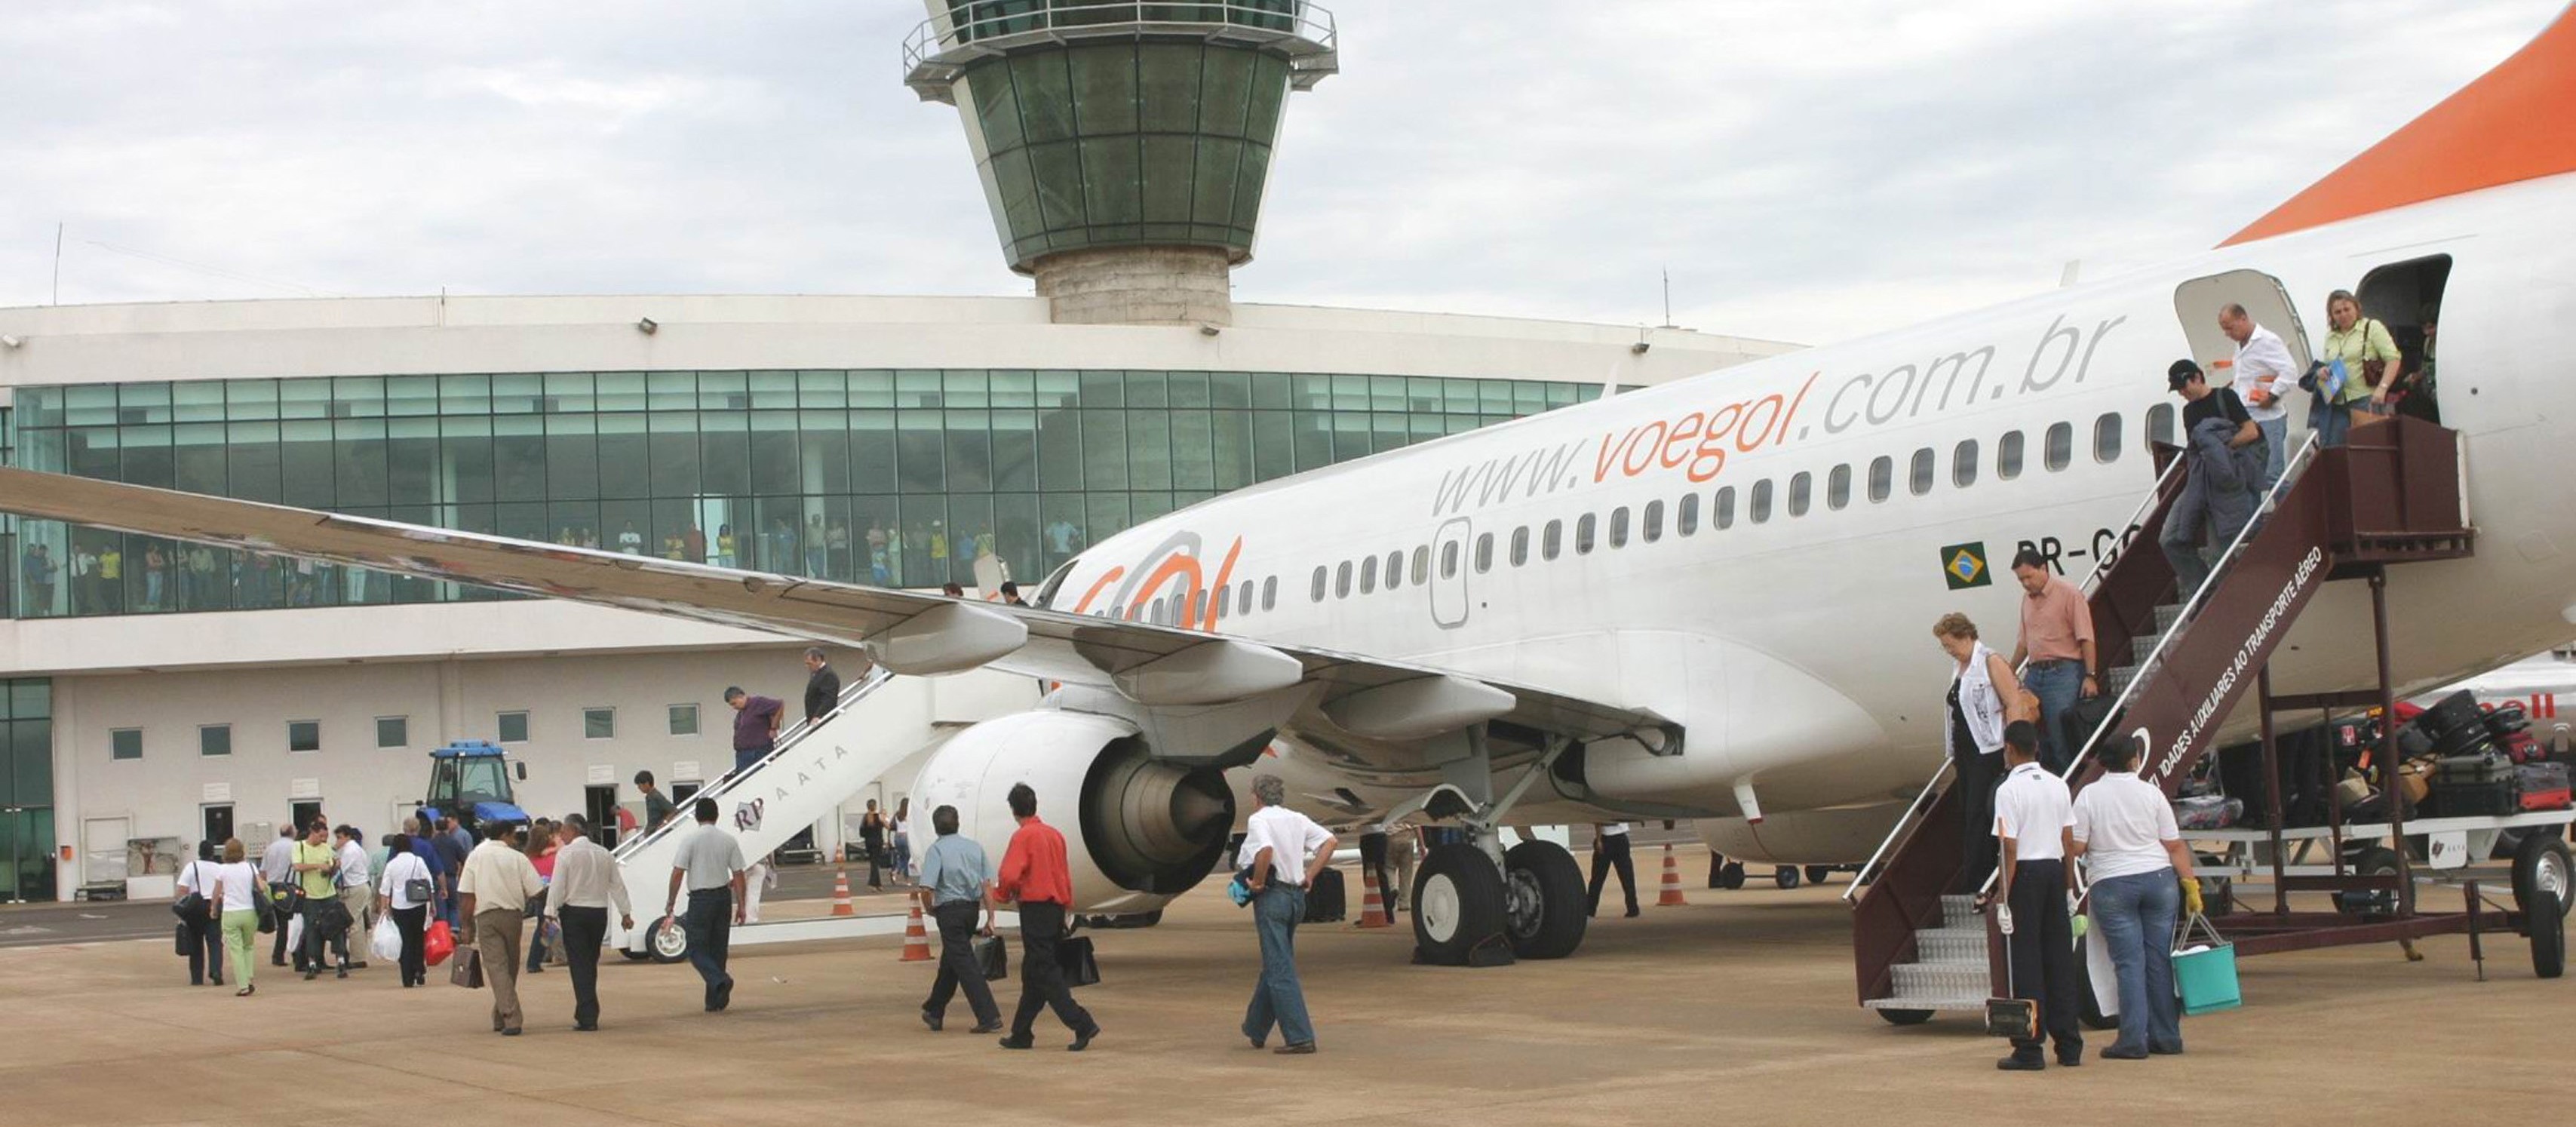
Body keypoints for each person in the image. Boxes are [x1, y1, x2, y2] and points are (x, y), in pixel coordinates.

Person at [2071, 735, 2200, 1060]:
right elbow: (2174, 845)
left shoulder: (2088, 796)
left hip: (2112, 883)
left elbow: (2078, 846)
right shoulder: (2151, 793)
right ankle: (2167, 1037)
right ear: (2134, 761)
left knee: (2129, 963)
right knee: (2158, 959)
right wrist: (2191, 885)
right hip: (2159, 881)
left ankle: (2132, 1040)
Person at [1991, 720, 2081, 1071]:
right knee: (2059, 960)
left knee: (2026, 963)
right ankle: (2069, 1045)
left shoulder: (2008, 790)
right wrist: (2070, 887)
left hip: (2025, 874)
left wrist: (2003, 897)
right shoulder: (2059, 785)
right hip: (2054, 870)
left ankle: (2029, 1048)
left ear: (2010, 750)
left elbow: (2008, 849)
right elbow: (2068, 841)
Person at [993, 782, 1099, 1051]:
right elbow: (1063, 874)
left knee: (1045, 971)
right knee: (1034, 974)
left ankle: (1081, 1022)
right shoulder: (1055, 835)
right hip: (1055, 909)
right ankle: (1021, 1032)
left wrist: (1002, 894)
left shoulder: (1024, 837)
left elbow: (1009, 875)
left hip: (1035, 909)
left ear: (1014, 810)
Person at [1239, 773, 1337, 1054]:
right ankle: (1255, 1027)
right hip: (1296, 897)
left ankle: (1299, 1036)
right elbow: (1330, 842)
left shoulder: (1259, 820)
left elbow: (1265, 851)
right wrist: (1310, 874)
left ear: (1256, 796)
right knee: (1277, 959)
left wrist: (1257, 883)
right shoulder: (1297, 818)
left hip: (1273, 896)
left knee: (1280, 967)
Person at [1935, 613, 2026, 895]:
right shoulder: (1959, 667)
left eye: (1950, 644)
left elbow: (2014, 703)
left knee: (1980, 813)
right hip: (1965, 748)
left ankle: (1979, 881)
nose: (1948, 651)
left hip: (1988, 748)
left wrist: (2013, 748)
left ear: (1966, 636)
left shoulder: (1990, 661)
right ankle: (1977, 877)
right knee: (1969, 812)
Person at [2160, 361, 2264, 600]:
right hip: (2201, 478)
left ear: (2197, 378)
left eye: (2183, 386)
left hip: (2228, 481)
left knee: (2219, 550)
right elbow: (2196, 448)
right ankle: (2203, 591)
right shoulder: (2189, 412)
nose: (2182, 393)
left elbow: (2251, 431)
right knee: (2169, 539)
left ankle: (2232, 598)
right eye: (2178, 390)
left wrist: (2222, 448)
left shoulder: (2224, 397)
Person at [2006, 549, 2098, 775]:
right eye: (2021, 580)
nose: (2025, 584)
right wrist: (2009, 670)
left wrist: (2090, 675)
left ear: (2044, 569)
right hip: (2035, 673)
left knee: (2059, 736)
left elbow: (2086, 637)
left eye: (2029, 577)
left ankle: (2069, 783)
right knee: (2028, 732)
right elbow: (2024, 643)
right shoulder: (2026, 601)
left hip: (2063, 671)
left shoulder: (2068, 594)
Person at [915, 803, 1004, 1033]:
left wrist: (930, 909)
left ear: (936, 828)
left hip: (949, 911)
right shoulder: (975, 848)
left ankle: (989, 1015)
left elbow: (926, 888)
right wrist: (991, 918)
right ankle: (934, 1009)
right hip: (970, 911)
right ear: (958, 824)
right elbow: (987, 885)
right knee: (952, 961)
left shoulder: (937, 851)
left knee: (965, 963)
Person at [544, 813, 633, 1031]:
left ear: (574, 830)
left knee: (579, 964)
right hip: (598, 913)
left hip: (574, 913)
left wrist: (550, 911)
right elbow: (617, 885)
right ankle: (586, 1009)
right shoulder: (604, 853)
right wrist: (625, 913)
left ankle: (588, 1015)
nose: (561, 835)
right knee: (590, 961)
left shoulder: (566, 854)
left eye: (564, 831)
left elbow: (557, 885)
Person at [459, 820, 545, 1035]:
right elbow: (536, 890)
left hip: (486, 916)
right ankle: (512, 1017)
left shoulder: (476, 856)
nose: (515, 839)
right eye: (514, 835)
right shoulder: (517, 858)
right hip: (513, 916)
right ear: (506, 834)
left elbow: (467, 895)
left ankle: (502, 1014)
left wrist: (466, 925)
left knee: (497, 967)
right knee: (510, 967)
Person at [664, 797, 747, 1012]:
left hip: (701, 899)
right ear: (717, 815)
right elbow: (738, 874)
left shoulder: (690, 840)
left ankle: (720, 980)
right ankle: (715, 1001)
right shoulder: (728, 840)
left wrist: (671, 901)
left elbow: (678, 873)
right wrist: (742, 905)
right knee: (718, 949)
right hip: (723, 899)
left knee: (696, 947)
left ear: (697, 817)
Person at [2216, 303, 2296, 491]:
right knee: (2251, 475)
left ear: (2243, 319)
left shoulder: (2267, 341)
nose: (2227, 333)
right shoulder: (2240, 344)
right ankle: (2257, 520)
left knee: (2273, 474)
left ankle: (2286, 515)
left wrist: (2272, 396)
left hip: (2268, 417)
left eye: (2230, 328)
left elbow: (2290, 372)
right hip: (2246, 417)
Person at [2317, 289, 2403, 448]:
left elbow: (2393, 359)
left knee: (2367, 448)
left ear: (2356, 308)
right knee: (2335, 448)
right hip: (2337, 401)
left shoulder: (2372, 327)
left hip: (2364, 398)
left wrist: (2383, 388)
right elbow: (2328, 363)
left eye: (2347, 309)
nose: (2343, 315)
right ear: (2332, 316)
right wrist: (2322, 372)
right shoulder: (2331, 336)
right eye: (2337, 312)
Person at [292, 821, 351, 979]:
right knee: (311, 929)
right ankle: (312, 962)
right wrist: (318, 866)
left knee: (337, 927)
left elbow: (334, 862)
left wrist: (335, 866)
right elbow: (297, 866)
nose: (323, 840)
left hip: (328, 894)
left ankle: (340, 959)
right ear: (312, 832)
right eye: (321, 836)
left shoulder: (326, 848)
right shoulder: (300, 847)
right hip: (310, 895)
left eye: (325, 837)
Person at [207, 839, 267, 996]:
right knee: (248, 946)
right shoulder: (250, 866)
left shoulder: (222, 869)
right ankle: (249, 977)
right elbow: (261, 886)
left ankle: (243, 985)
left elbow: (216, 892)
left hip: (231, 911)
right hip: (249, 911)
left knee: (236, 949)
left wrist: (213, 908)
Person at [376, 831, 434, 987]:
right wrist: (432, 905)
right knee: (418, 938)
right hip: (418, 904)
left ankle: (407, 977)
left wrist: (384, 909)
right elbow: (429, 884)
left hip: (399, 907)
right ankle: (419, 970)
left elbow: (385, 889)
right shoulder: (418, 861)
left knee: (405, 941)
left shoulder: (392, 865)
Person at [175, 850, 225, 987]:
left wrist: (182, 907)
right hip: (213, 906)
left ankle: (197, 977)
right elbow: (223, 889)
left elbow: (182, 889)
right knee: (215, 941)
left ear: (199, 853)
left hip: (195, 908)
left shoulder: (191, 867)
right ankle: (216, 971)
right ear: (212, 854)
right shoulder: (218, 868)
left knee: (196, 943)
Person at [523, 819, 560, 975]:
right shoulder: (554, 855)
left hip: (539, 893)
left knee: (543, 926)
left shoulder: (529, 857)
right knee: (548, 927)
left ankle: (539, 958)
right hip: (553, 892)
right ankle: (536, 959)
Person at [333, 825, 373, 964]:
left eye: (340, 838)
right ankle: (359, 956)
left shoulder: (350, 851)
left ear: (348, 837)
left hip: (355, 888)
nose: (337, 841)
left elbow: (340, 871)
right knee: (359, 922)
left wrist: (330, 884)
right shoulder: (357, 849)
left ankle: (357, 959)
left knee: (352, 922)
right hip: (361, 886)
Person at [260, 823, 299, 968]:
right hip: (289, 887)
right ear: (292, 832)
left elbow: (263, 872)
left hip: (272, 887)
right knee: (292, 922)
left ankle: (278, 954)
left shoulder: (270, 848)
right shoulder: (294, 847)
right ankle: (295, 954)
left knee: (281, 923)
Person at [723, 686, 784, 777]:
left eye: (734, 703)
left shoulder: (757, 703)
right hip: (743, 754)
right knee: (744, 780)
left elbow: (779, 705)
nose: (734, 707)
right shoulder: (741, 713)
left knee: (759, 778)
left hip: (758, 751)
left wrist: (773, 728)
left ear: (740, 697)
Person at [1585, 822, 1639, 918]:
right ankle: (1633, 908)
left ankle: (1590, 909)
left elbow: (1598, 821)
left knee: (1597, 878)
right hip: (1621, 838)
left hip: (1606, 838)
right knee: (1627, 877)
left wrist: (1598, 840)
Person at [434, 815, 472, 926]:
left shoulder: (431, 843)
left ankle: (443, 931)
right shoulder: (453, 842)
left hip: (436, 879)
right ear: (447, 828)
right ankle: (455, 930)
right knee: (454, 906)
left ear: (435, 829)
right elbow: (465, 859)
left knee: (440, 905)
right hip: (451, 878)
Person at [803, 647, 840, 724]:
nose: (807, 666)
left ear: (818, 660)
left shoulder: (828, 675)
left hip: (822, 720)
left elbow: (829, 698)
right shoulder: (817, 674)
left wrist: (818, 716)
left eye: (810, 663)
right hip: (813, 718)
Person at [860, 799, 889, 889]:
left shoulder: (865, 817)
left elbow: (862, 833)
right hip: (878, 842)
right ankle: (873, 884)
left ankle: (877, 884)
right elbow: (888, 826)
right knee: (875, 864)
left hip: (869, 843)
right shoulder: (879, 817)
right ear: (875, 806)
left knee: (873, 863)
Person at [637, 770, 677, 834]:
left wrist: (664, 823)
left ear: (646, 784)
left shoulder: (656, 796)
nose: (639, 788)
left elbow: (673, 810)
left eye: (640, 786)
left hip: (658, 832)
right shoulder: (649, 796)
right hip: (651, 831)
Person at [20, 544, 54, 615]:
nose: (32, 551)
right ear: (28, 550)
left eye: (33, 550)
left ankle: (40, 614)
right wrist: (31, 579)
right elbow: (26, 570)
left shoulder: (39, 558)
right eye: (30, 550)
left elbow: (45, 568)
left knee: (41, 598)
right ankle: (33, 615)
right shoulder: (27, 558)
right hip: (33, 582)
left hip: (42, 582)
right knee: (34, 598)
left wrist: (51, 567)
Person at [891, 797, 913, 885]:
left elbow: (892, 825)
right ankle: (906, 878)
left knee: (901, 857)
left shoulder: (897, 814)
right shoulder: (909, 814)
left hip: (897, 837)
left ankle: (896, 871)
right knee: (907, 858)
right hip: (905, 837)